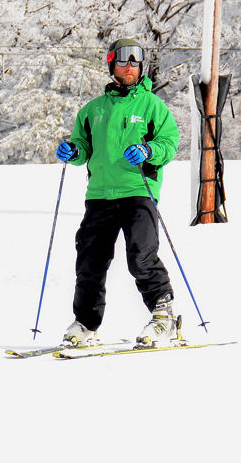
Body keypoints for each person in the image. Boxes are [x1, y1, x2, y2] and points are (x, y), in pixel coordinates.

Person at [55, 38, 180, 348]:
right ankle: (85, 324)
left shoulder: (152, 105)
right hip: (99, 194)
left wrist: (148, 149)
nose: (129, 67)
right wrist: (72, 150)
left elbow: (169, 143)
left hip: (138, 191)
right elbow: (83, 148)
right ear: (111, 65)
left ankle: (164, 317)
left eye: (135, 62)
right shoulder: (91, 110)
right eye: (123, 61)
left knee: (141, 256)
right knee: (90, 261)